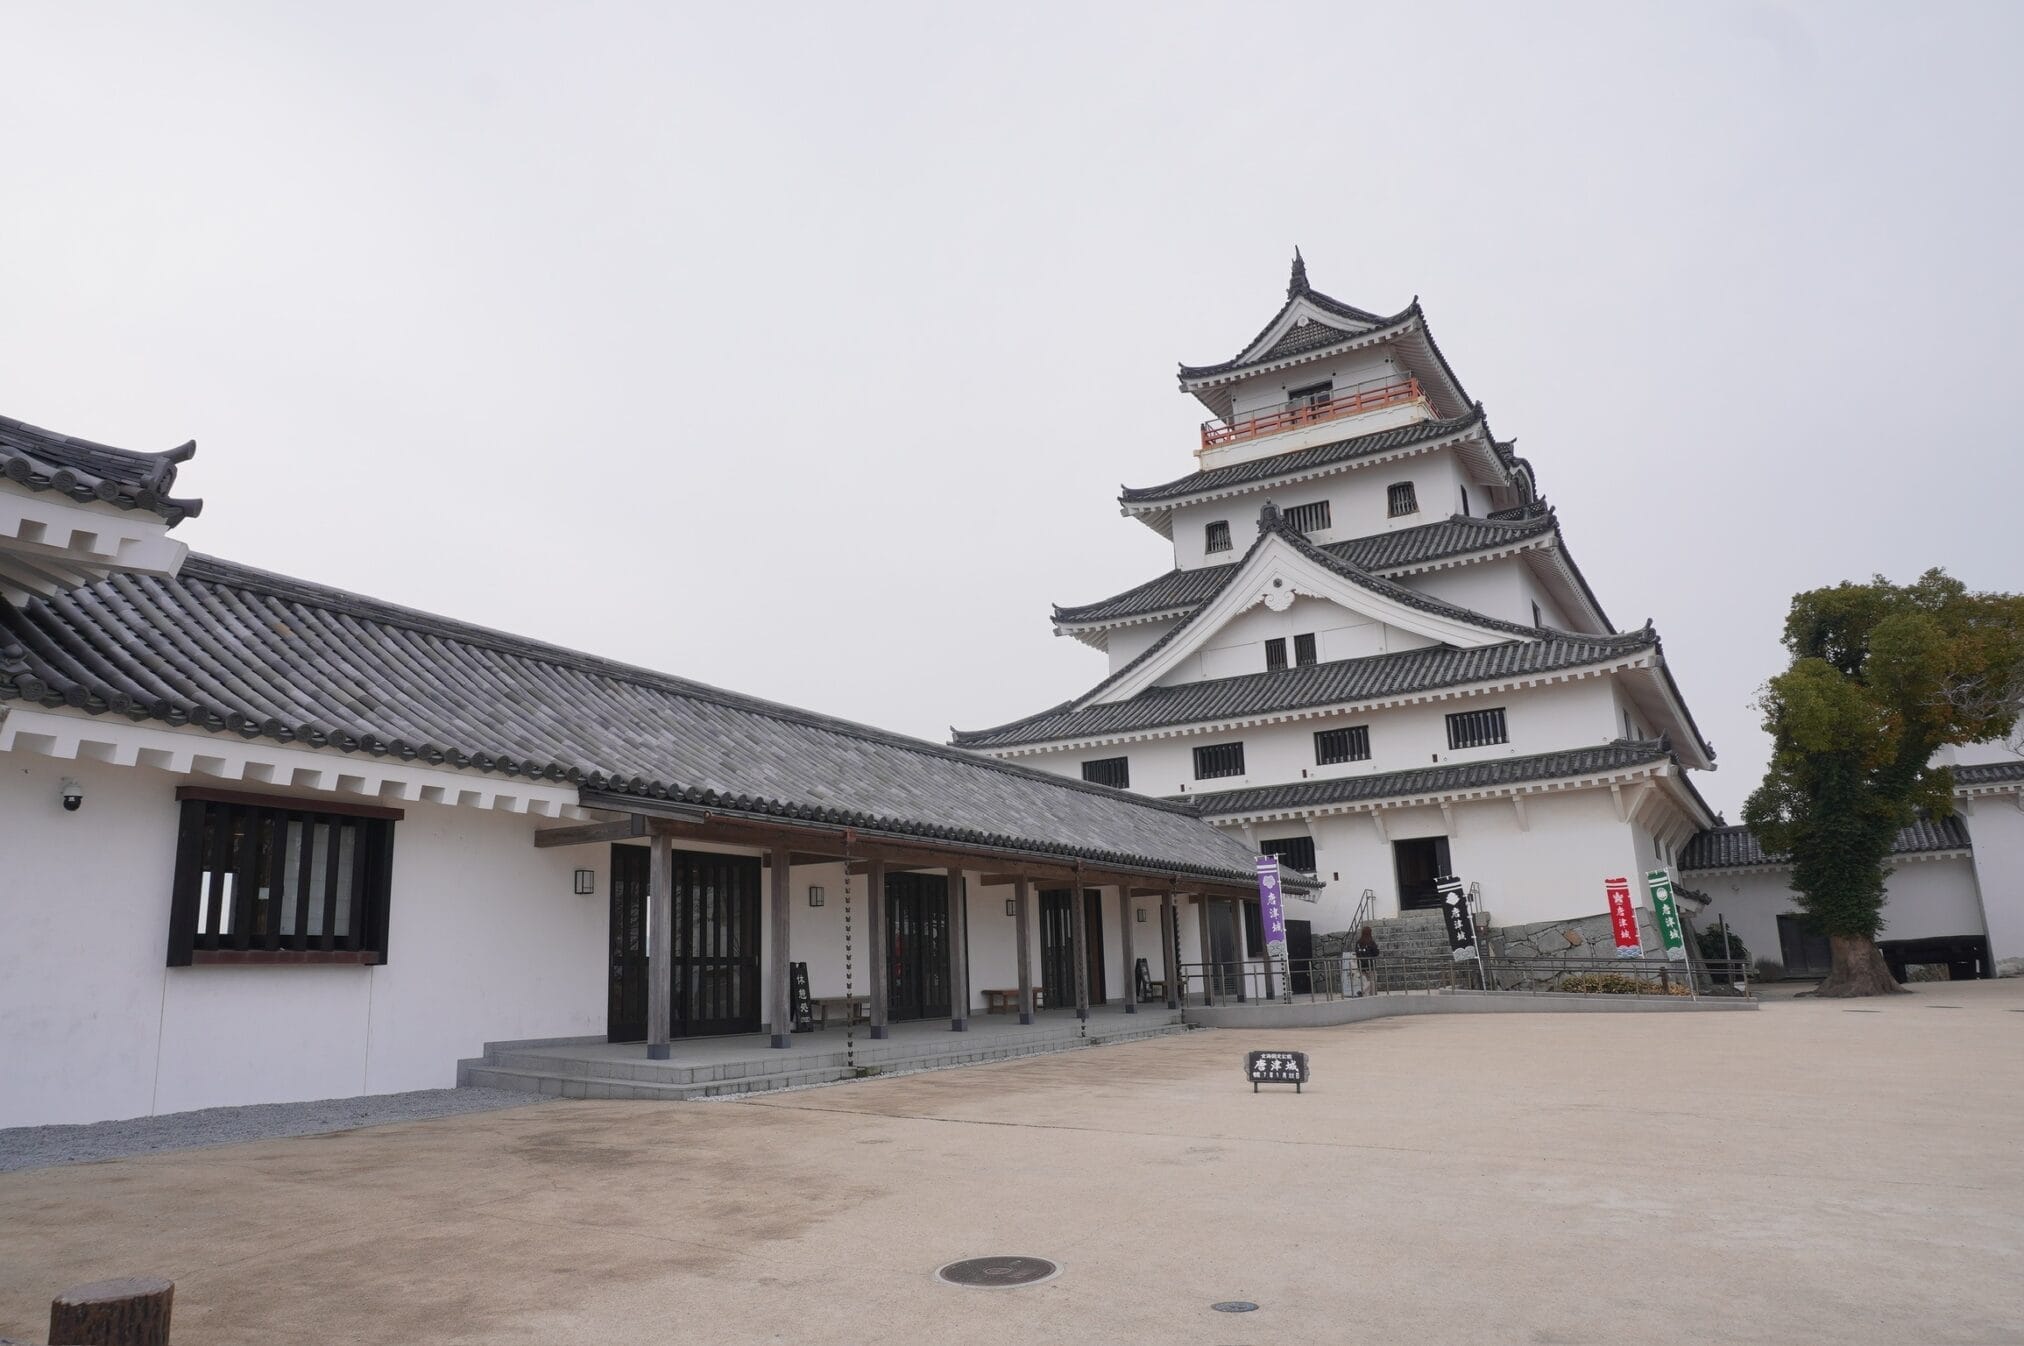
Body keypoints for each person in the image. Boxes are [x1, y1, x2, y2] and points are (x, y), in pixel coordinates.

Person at [1355, 925, 1381, 994]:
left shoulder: (1358, 943)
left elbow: (1357, 953)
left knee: (1365, 982)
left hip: (1361, 966)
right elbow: (1376, 953)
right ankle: (1370, 995)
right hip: (1370, 965)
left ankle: (1363, 993)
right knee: (1372, 981)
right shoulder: (1371, 942)